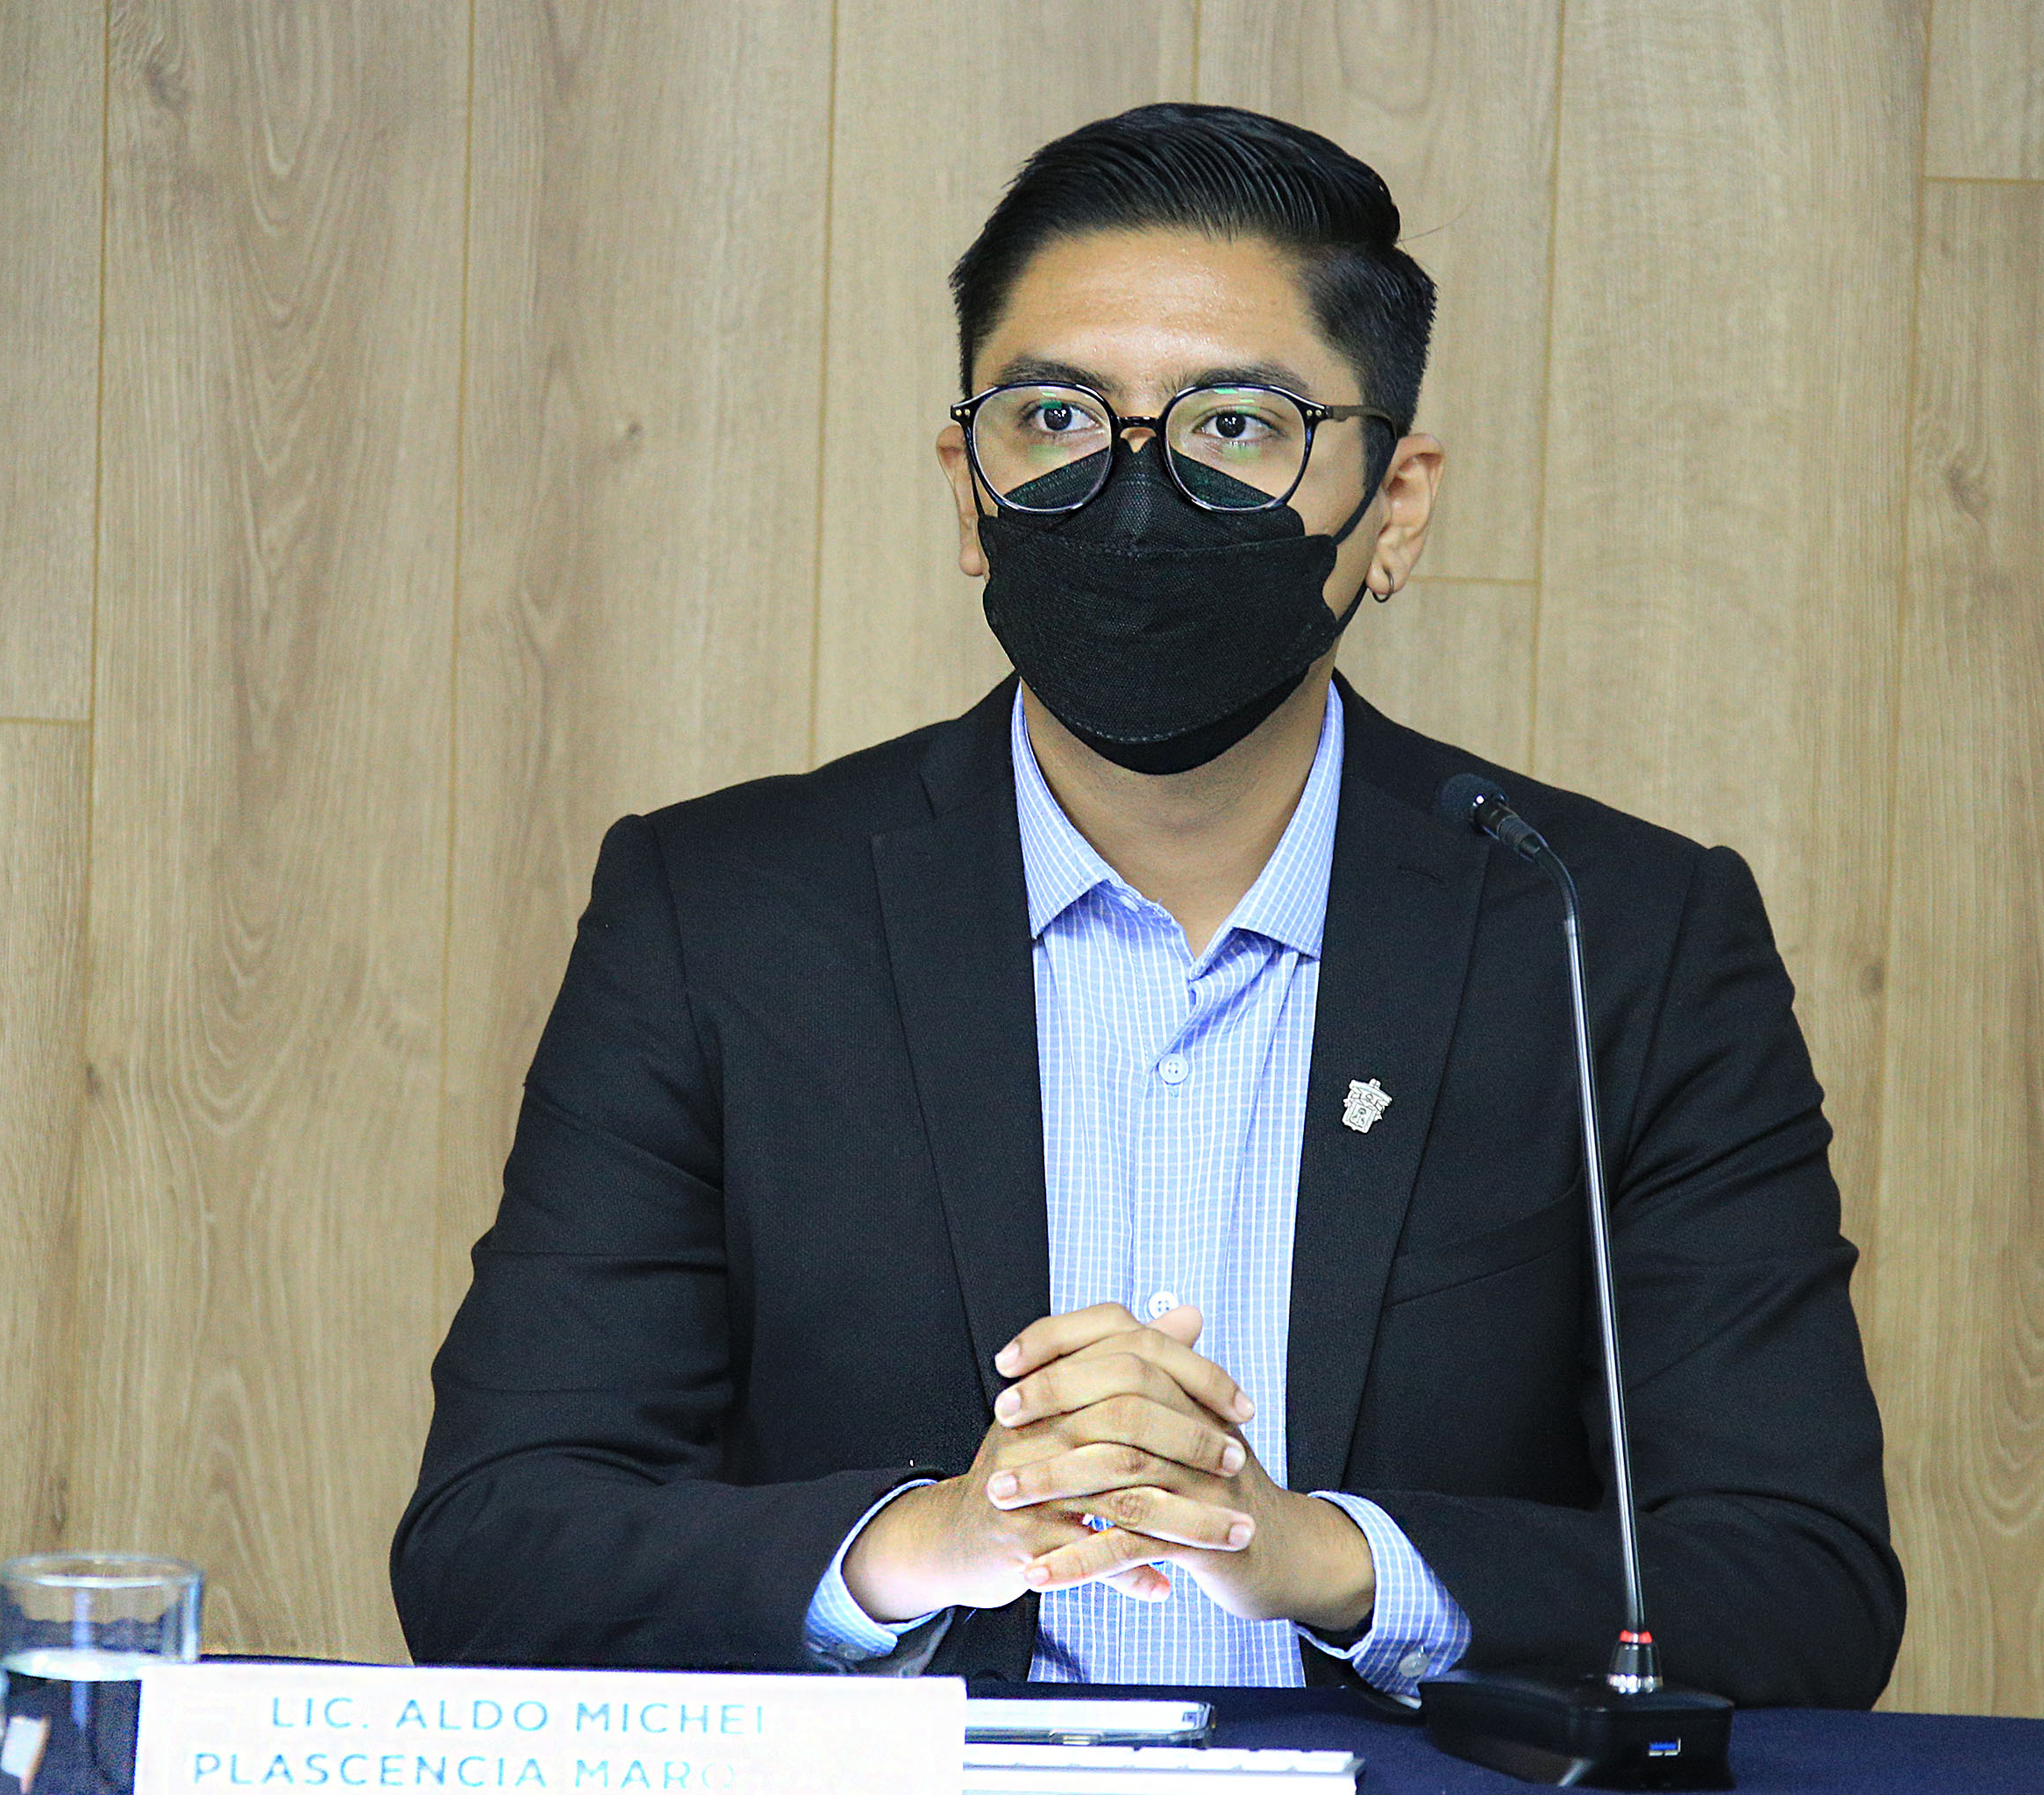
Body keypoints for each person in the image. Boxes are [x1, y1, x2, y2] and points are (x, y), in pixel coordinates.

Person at [392, 103, 1903, 1706]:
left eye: (1236, 425)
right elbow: (494, 1546)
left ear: (1395, 504)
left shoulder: (1612, 934)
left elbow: (1799, 1586)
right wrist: (933, 1540)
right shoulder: (721, 917)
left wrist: (1328, 1558)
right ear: (969, 490)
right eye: (1053, 416)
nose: (1133, 492)